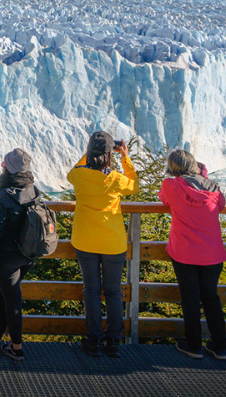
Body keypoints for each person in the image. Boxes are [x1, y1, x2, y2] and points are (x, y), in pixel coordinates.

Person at [68, 131, 138, 358]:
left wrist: (88, 154)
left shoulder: (79, 176)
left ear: (90, 152)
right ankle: (113, 342)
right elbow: (134, 186)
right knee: (113, 292)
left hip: (85, 241)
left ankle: (93, 340)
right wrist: (125, 157)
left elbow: (73, 172)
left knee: (91, 291)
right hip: (113, 243)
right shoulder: (116, 178)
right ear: (110, 155)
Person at [159, 149, 226, 360]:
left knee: (190, 298)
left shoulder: (171, 186)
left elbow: (164, 200)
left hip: (185, 253)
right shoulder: (214, 188)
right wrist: (202, 176)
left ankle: (194, 345)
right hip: (213, 254)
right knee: (211, 298)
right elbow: (221, 206)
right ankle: (220, 347)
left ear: (173, 168)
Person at [0, 148, 39, 362]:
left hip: (7, 259)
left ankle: (17, 347)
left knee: (11, 300)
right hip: (26, 255)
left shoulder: (5, 196)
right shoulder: (33, 190)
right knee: (3, 296)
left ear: (8, 169)